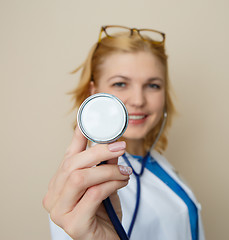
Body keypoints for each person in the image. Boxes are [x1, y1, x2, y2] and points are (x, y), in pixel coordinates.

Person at [42, 25, 205, 240]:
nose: (138, 100)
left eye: (153, 85)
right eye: (120, 83)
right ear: (95, 93)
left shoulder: (155, 162)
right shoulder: (81, 186)